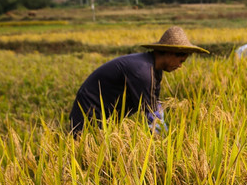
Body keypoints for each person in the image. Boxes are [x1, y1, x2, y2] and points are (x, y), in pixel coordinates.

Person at [69, 26, 209, 136]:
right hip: (90, 112)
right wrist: (166, 143)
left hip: (107, 114)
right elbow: (151, 114)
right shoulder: (143, 71)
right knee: (86, 152)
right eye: (180, 61)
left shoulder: (154, 69)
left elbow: (154, 104)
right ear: (169, 53)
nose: (180, 66)